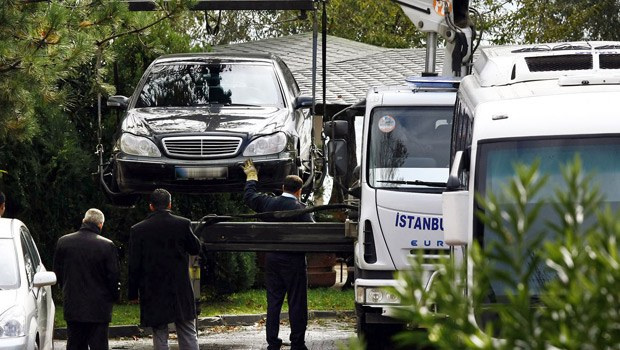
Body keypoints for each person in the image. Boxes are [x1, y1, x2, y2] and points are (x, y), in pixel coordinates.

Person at [242, 159, 313, 350]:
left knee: (274, 302)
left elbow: (249, 197)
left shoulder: (268, 202)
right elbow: (313, 233)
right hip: (294, 262)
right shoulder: (302, 209)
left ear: (283, 187)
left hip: (272, 259)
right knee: (297, 302)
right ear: (298, 191)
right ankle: (297, 343)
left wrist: (251, 177)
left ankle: (272, 342)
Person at [128, 188, 201, 350]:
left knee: (159, 332)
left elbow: (134, 264)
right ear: (169, 204)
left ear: (151, 206)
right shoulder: (182, 224)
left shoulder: (138, 230)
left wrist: (133, 293)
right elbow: (196, 248)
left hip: (153, 289)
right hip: (179, 288)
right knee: (187, 330)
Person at [53, 208, 120, 350]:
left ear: (84, 221)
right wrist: (114, 297)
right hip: (99, 308)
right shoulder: (107, 245)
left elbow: (57, 273)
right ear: (100, 225)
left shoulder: (64, 242)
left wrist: (65, 289)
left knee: (75, 343)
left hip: (73, 304)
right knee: (99, 345)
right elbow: (112, 277)